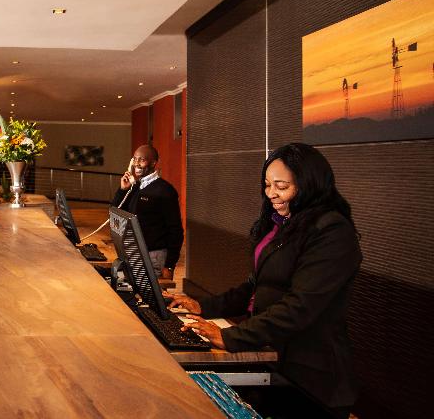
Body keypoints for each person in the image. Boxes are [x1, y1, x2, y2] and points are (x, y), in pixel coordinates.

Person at [167, 143, 361, 418]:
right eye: (268, 185)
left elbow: (300, 305)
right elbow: (255, 285)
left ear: (310, 184)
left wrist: (232, 337)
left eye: (281, 186)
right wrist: (204, 306)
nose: (271, 193)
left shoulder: (332, 231)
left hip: (312, 374)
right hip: (275, 355)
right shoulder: (283, 222)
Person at [112, 145, 183, 279]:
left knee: (151, 292)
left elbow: (176, 230)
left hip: (154, 256)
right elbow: (116, 213)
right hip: (135, 253)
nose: (136, 163)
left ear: (153, 163)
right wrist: (123, 190)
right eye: (135, 159)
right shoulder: (135, 187)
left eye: (142, 160)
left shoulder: (165, 191)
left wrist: (169, 265)